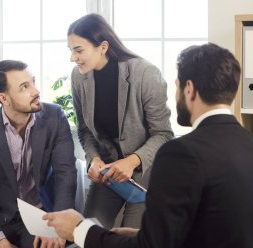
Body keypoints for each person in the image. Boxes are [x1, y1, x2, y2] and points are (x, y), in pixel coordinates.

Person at [43, 43, 253, 248]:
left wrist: (79, 230)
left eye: (176, 87)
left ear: (189, 89)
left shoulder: (181, 153)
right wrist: (137, 235)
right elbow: (216, 230)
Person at [0, 60, 77, 248]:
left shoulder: (54, 117)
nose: (36, 91)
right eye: (24, 87)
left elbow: (65, 174)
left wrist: (59, 226)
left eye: (33, 82)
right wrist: (0, 241)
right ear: (4, 98)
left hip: (40, 215)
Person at [68, 13, 173, 229]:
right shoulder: (79, 77)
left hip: (147, 173)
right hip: (108, 171)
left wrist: (132, 160)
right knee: (87, 236)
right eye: (70, 50)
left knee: (131, 239)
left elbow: (163, 133)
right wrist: (93, 159)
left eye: (78, 50)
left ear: (103, 47)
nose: (73, 57)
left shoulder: (145, 73)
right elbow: (85, 130)